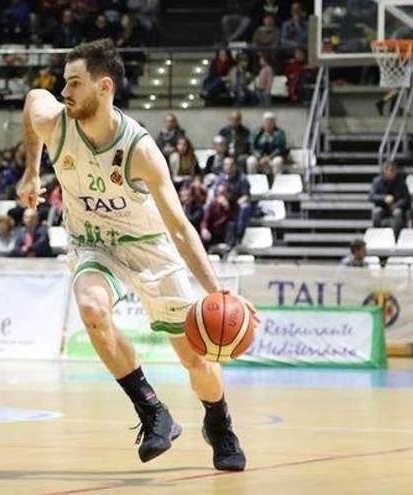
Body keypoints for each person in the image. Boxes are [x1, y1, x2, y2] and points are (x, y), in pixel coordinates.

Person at [18, 39, 254, 471]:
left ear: (104, 87)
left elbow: (181, 229)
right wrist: (31, 171)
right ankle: (152, 410)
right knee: (91, 308)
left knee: (194, 358)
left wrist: (218, 291)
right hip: (92, 242)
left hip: (150, 250)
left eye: (75, 82)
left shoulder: (140, 150)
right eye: (64, 81)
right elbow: (34, 100)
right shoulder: (55, 120)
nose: (64, 90)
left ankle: (219, 423)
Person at [214, 156, 253, 244]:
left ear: (235, 166)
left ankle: (239, 235)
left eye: (232, 165)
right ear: (223, 166)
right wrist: (222, 199)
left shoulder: (242, 178)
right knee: (210, 206)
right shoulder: (220, 178)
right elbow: (216, 194)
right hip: (225, 203)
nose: (229, 167)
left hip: (238, 203)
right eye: (227, 165)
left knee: (245, 207)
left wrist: (237, 203)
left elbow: (246, 196)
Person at [369, 161, 410, 234]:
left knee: (398, 213)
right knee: (376, 212)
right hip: (382, 206)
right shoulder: (377, 181)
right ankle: (378, 234)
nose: (392, 173)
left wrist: (396, 205)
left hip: (396, 207)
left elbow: (406, 198)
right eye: (390, 170)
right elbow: (371, 196)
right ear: (385, 171)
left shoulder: (401, 182)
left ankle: (396, 236)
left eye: (393, 170)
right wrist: (384, 198)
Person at [248, 111, 288, 178]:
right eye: (266, 122)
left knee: (277, 161)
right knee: (251, 161)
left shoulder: (280, 133)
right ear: (263, 123)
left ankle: (277, 183)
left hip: (273, 156)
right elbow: (252, 147)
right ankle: (254, 183)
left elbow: (280, 148)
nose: (268, 124)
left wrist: (269, 157)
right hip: (259, 156)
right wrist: (259, 157)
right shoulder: (256, 132)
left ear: (274, 123)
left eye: (271, 122)